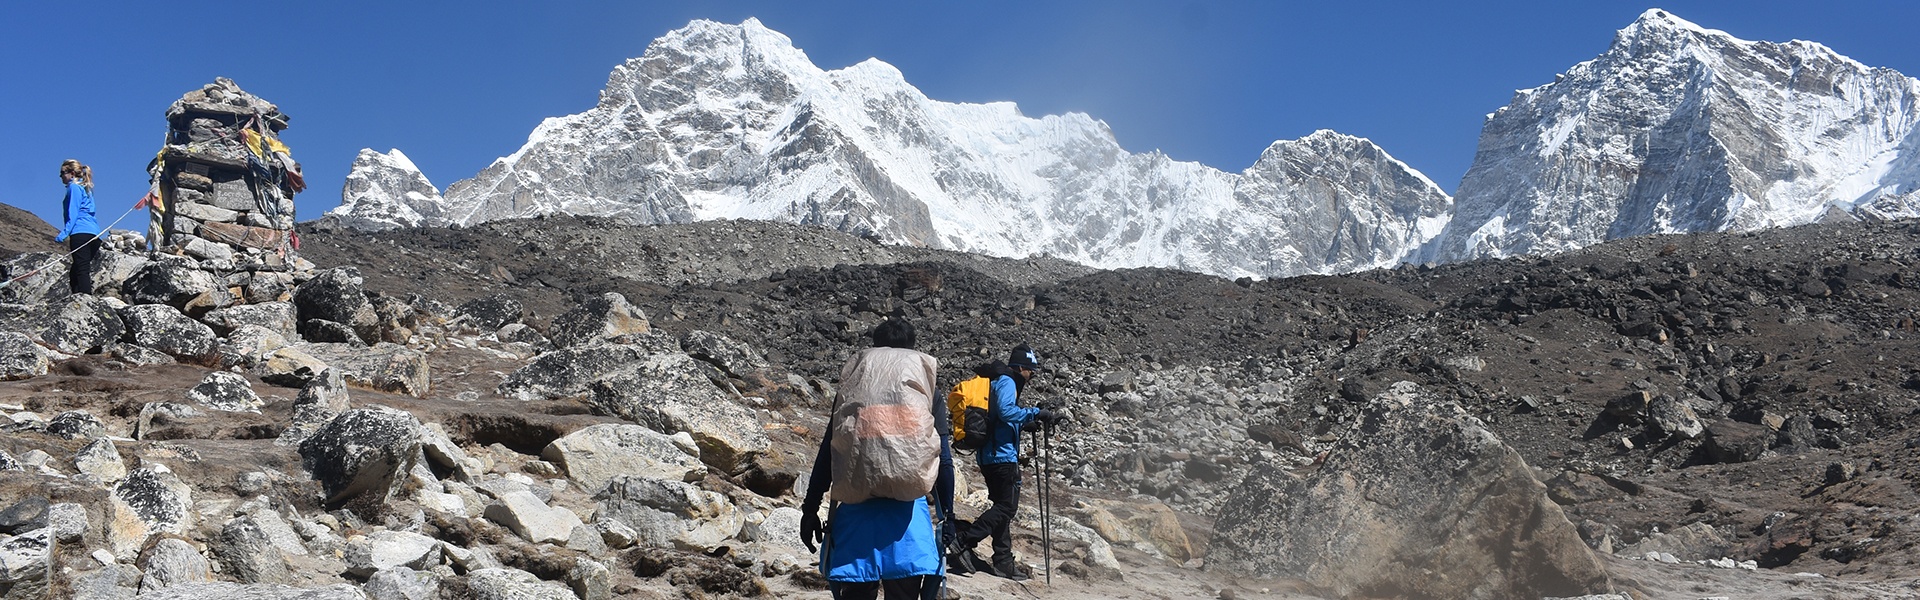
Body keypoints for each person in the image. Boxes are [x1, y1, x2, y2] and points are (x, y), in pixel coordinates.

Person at [800, 319, 955, 600]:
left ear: (874, 347)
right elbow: (942, 458)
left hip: (856, 510)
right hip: (906, 516)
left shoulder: (854, 388)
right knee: (904, 593)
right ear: (912, 350)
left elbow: (829, 450)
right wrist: (948, 516)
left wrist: (810, 508)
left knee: (856, 592)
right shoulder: (926, 390)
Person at [949, 344, 1063, 581]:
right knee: (1007, 507)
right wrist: (1034, 414)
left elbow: (998, 417)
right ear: (1021, 366)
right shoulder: (1008, 381)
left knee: (1002, 507)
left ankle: (1003, 560)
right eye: (1031, 370)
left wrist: (1024, 423)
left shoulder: (994, 382)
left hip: (989, 456)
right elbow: (1006, 412)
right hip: (1002, 457)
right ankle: (965, 540)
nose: (1032, 376)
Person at [56, 159, 102, 294]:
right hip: (94, 234)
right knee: (76, 271)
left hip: (80, 233)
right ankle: (78, 298)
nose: (61, 177)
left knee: (81, 270)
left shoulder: (74, 187)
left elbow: (73, 212)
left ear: (71, 173)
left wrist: (64, 233)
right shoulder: (86, 188)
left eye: (62, 173)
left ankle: (84, 301)